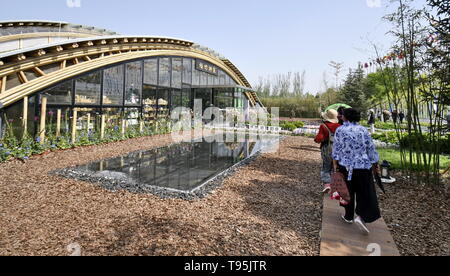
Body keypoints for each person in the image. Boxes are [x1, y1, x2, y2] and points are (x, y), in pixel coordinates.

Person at [332, 108, 381, 235]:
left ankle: (348, 216)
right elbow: (370, 148)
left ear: (345, 117)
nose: (340, 117)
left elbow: (336, 149)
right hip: (363, 166)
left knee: (347, 192)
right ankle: (361, 217)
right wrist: (375, 163)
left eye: (342, 115)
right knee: (364, 192)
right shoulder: (363, 130)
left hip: (345, 166)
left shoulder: (340, 130)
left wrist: (335, 164)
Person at [314, 109, 341, 194]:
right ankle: (337, 186)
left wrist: (316, 139)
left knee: (326, 167)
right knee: (336, 167)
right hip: (338, 150)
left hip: (327, 149)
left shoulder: (324, 126)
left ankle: (327, 185)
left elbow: (319, 138)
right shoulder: (339, 126)